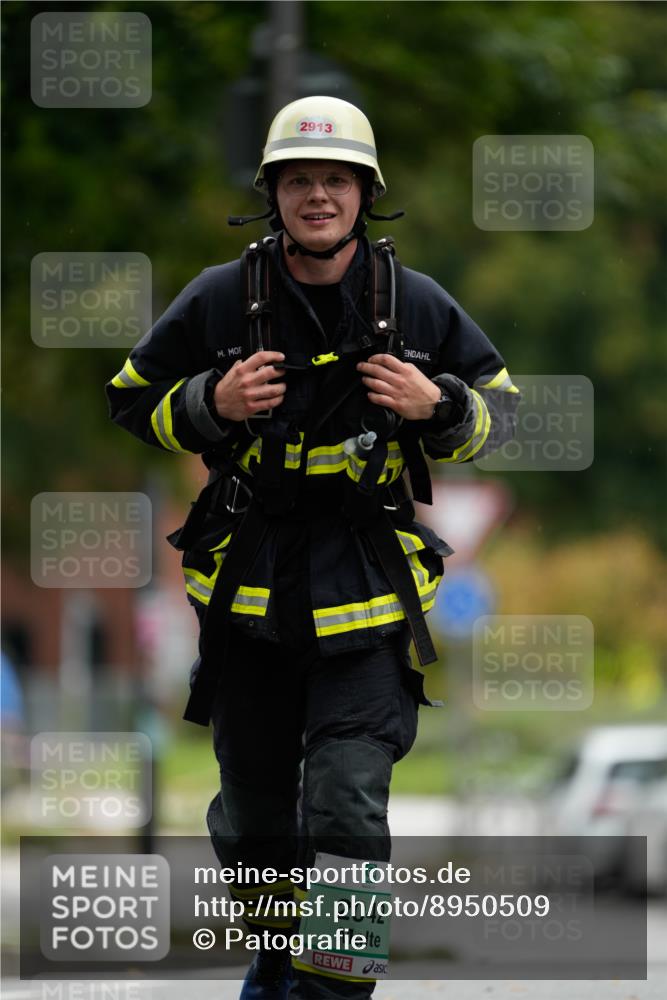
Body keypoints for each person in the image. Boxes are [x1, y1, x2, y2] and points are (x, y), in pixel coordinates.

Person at [106, 96, 519, 1000]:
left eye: (336, 179)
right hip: (249, 603)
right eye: (300, 180)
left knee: (343, 802)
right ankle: (277, 955)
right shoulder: (221, 296)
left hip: (368, 606)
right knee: (253, 817)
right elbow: (130, 395)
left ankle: (332, 991)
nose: (319, 196)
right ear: (273, 194)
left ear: (366, 193)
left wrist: (437, 405)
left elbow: (504, 413)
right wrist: (209, 401)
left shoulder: (413, 302)